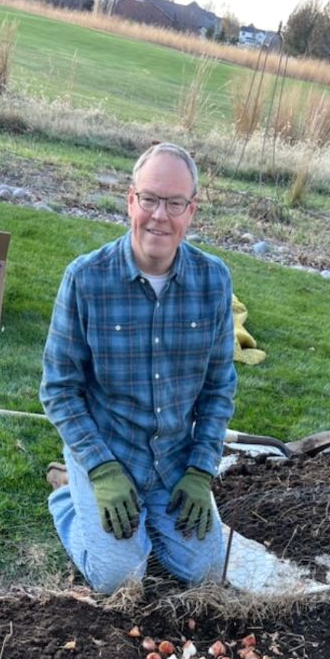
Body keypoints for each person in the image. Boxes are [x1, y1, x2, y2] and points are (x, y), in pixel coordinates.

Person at [39, 142, 237, 594]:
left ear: (192, 210)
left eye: (174, 203)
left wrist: (201, 470)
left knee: (207, 572)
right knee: (120, 578)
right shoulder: (86, 280)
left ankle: (134, 515)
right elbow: (59, 389)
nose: (159, 216)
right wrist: (102, 470)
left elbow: (218, 389)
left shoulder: (214, 282)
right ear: (131, 200)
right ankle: (70, 497)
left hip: (172, 461)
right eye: (149, 199)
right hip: (109, 451)